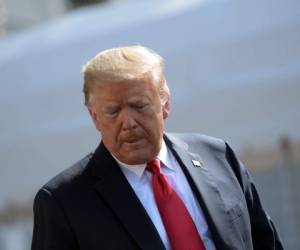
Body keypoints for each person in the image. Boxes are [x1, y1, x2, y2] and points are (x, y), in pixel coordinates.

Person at [31, 45, 283, 250]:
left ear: (165, 104)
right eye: (113, 111)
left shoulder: (218, 156)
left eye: (139, 105)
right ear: (94, 117)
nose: (128, 122)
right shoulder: (64, 201)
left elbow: (265, 242)